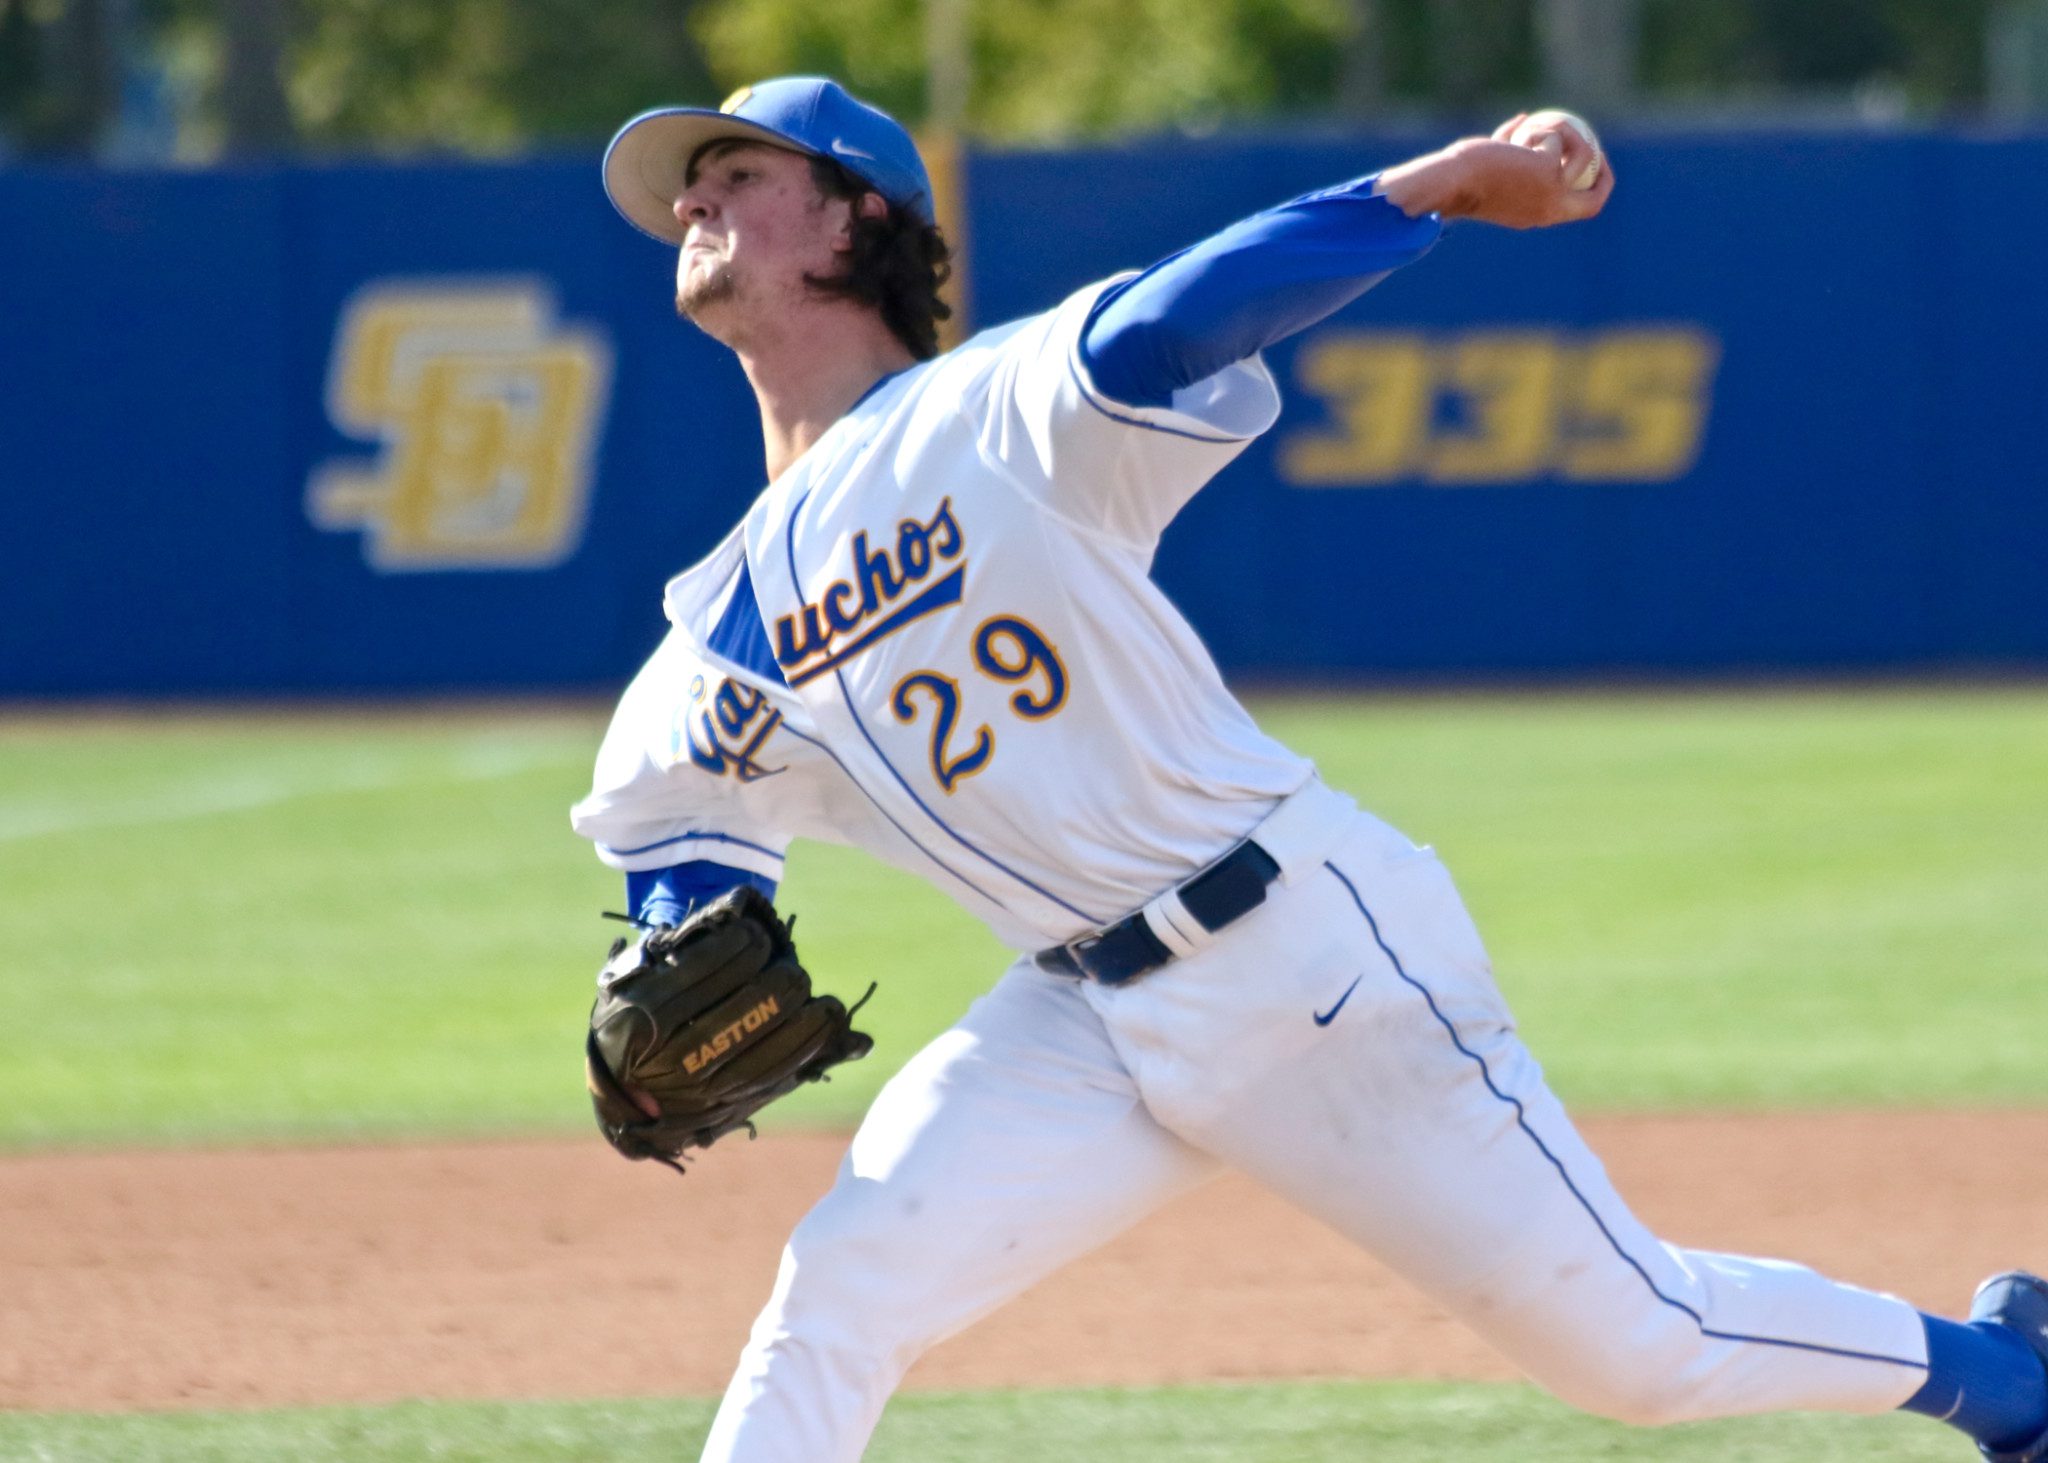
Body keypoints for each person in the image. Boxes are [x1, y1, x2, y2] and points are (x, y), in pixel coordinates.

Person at [574, 75, 2048, 1463]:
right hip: (1079, 1017)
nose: (696, 202)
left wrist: (1450, 184)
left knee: (1635, 1351)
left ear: (856, 216)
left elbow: (1195, 305)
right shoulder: (707, 636)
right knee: (844, 1286)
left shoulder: (988, 418)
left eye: (737, 174)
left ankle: (2012, 1378)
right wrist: (665, 942)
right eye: (687, 189)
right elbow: (685, 841)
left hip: (1300, 950)